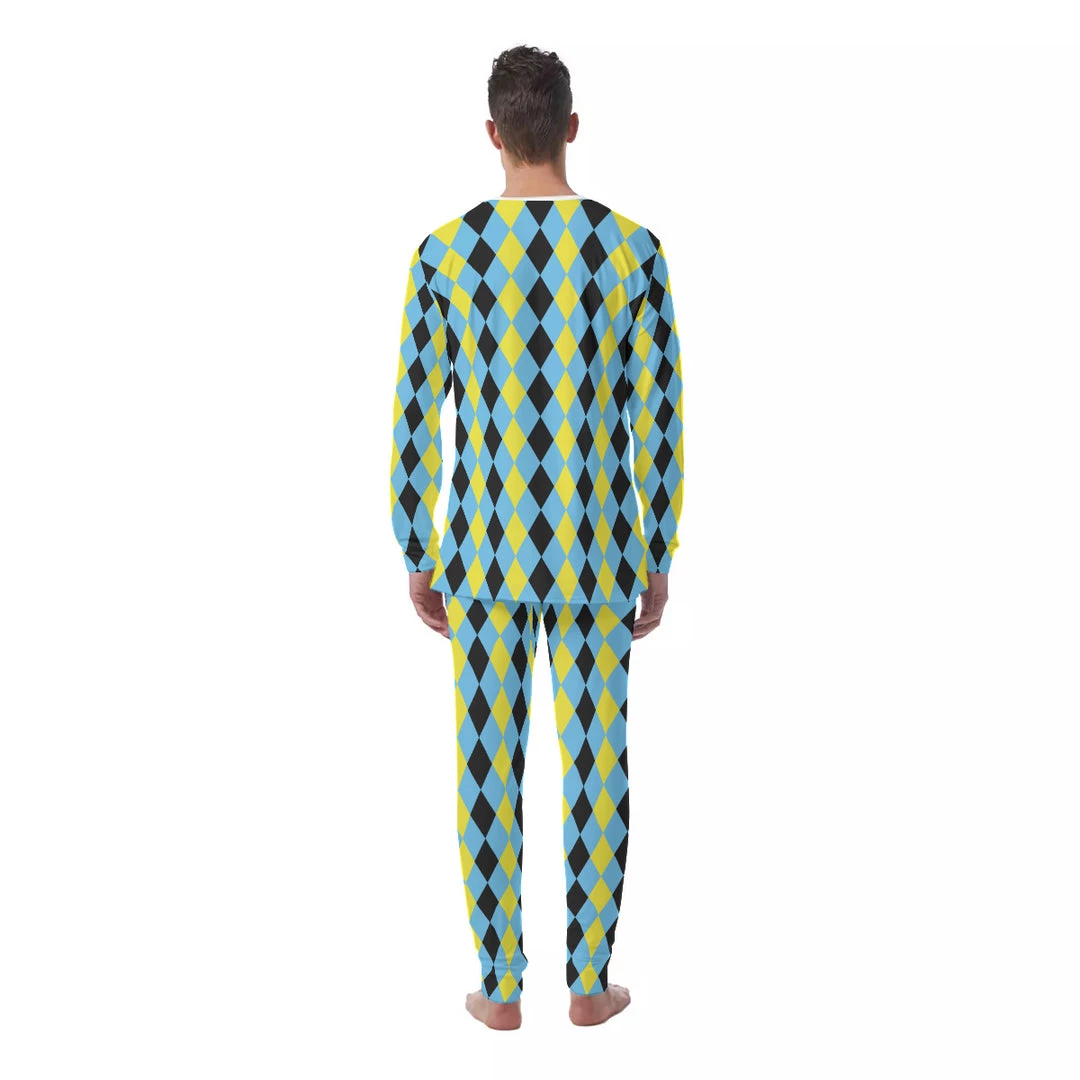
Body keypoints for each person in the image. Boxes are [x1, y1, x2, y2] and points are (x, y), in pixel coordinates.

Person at [388, 44, 685, 1030]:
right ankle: (590, 983)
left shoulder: (444, 255)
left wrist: (419, 548)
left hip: (484, 555)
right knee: (598, 766)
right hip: (597, 555)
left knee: (487, 768)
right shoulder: (632, 251)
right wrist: (656, 552)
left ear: (491, 134)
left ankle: (501, 987)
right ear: (571, 127)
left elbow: (418, 414)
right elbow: (658, 417)